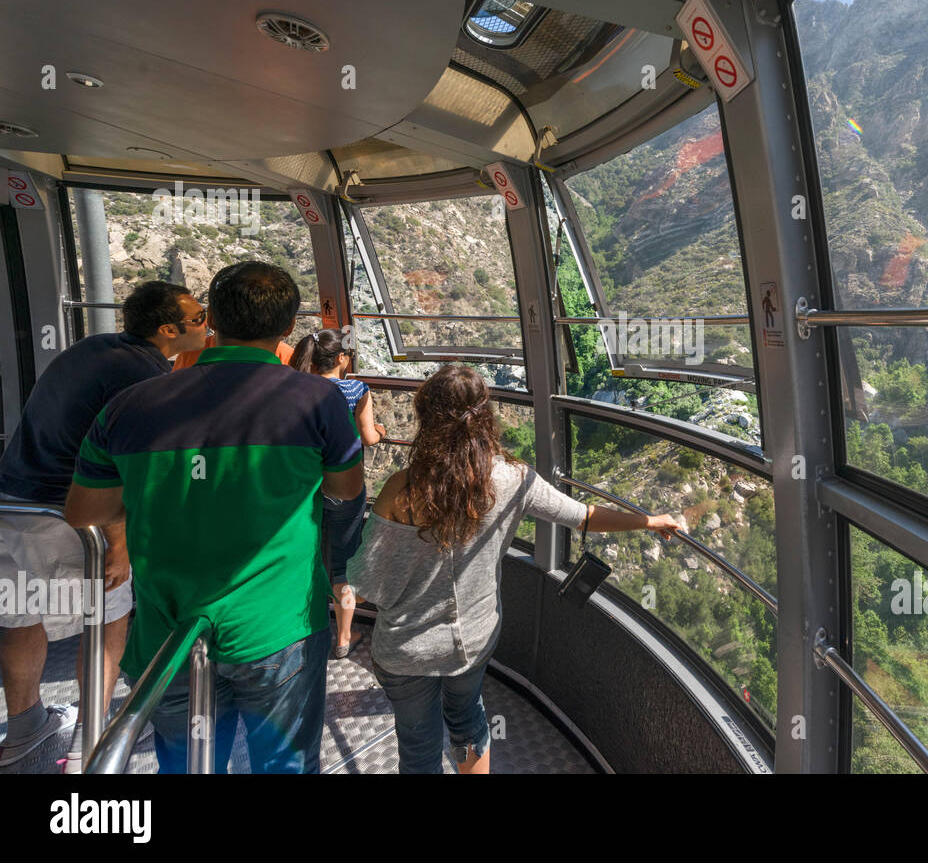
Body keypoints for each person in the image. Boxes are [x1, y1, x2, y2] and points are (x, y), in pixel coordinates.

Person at [64, 261, 363, 774]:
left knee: (184, 764)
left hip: (168, 629)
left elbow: (84, 510)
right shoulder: (319, 402)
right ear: (289, 328)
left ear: (215, 320)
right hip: (280, 626)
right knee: (285, 767)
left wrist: (164, 490)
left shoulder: (128, 406)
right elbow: (344, 489)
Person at [347, 365, 682, 774]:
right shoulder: (514, 480)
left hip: (405, 650)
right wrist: (650, 521)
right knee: (468, 721)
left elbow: (364, 586)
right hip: (473, 639)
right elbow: (584, 516)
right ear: (484, 417)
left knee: (418, 744)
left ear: (428, 421)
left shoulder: (402, 489)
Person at [0, 281, 208, 770]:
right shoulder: (146, 378)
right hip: (74, 517)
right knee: (110, 617)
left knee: (21, 616)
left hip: (14, 501)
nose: (207, 323)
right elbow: (116, 464)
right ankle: (91, 739)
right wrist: (119, 544)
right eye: (199, 317)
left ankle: (25, 729)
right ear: (166, 330)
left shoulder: (94, 347)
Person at [289, 328, 386, 659]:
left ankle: (303, 628)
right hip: (344, 488)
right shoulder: (355, 388)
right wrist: (381, 431)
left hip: (304, 487)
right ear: (342, 359)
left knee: (308, 554)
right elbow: (369, 437)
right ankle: (344, 637)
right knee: (343, 562)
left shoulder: (294, 389)